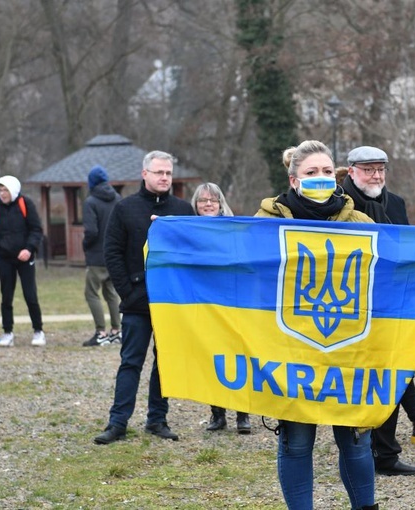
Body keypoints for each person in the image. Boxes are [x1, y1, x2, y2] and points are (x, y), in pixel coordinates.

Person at [255, 140, 378, 510]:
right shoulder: (266, 222)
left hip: (348, 349)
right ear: (294, 180)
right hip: (290, 347)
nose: (321, 178)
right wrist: (171, 233)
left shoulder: (361, 221)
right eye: (311, 173)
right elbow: (236, 265)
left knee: (355, 440)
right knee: (297, 442)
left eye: (327, 171)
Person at [342, 145, 415, 477]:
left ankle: (385, 453)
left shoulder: (396, 204)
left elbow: (405, 248)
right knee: (354, 381)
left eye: (381, 169)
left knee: (389, 378)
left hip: (391, 304)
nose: (376, 175)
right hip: (349, 305)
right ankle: (354, 448)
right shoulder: (340, 205)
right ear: (351, 171)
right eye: (369, 169)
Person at [94, 150, 194, 445]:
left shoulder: (183, 209)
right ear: (145, 174)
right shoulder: (125, 209)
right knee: (130, 362)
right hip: (137, 301)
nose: (164, 178)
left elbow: (192, 253)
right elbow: (111, 252)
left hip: (171, 301)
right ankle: (118, 422)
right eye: (159, 172)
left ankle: (157, 419)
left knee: (165, 362)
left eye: (168, 173)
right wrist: (127, 291)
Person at [192, 182, 251, 435]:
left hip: (233, 300)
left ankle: (243, 415)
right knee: (212, 356)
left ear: (220, 203)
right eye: (203, 200)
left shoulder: (233, 229)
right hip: (205, 302)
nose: (208, 204)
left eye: (213, 200)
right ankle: (217, 414)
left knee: (239, 356)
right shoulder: (188, 230)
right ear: (195, 204)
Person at [0, 175, 44, 347]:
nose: (2, 193)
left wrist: (28, 249)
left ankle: (38, 331)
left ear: (13, 190)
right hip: (4, 258)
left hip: (25, 257)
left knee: (30, 295)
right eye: (0, 190)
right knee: (6, 297)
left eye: (5, 190)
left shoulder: (26, 204)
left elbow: (36, 229)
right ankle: (8, 332)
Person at [81, 166, 122, 347]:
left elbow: (91, 231)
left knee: (91, 293)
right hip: (114, 255)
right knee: (111, 293)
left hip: (97, 256)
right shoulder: (118, 199)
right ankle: (116, 331)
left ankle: (101, 332)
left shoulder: (90, 202)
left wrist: (86, 246)